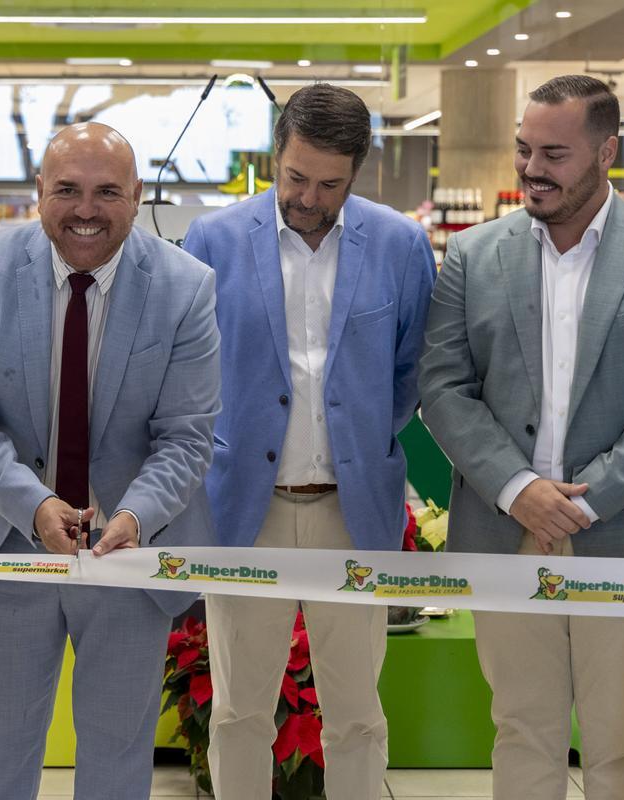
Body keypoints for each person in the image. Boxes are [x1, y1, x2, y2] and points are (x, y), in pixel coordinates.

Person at [419, 75, 624, 800]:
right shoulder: (472, 255)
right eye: (524, 149)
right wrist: (520, 488)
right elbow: (443, 387)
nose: (531, 168)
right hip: (508, 532)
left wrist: (584, 503)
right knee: (522, 731)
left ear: (607, 151)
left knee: (622, 743)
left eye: (554, 153)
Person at [0, 122, 220, 799]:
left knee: (118, 761)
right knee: (4, 755)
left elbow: (187, 435)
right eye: (66, 189)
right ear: (38, 190)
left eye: (106, 192)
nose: (85, 209)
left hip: (127, 552)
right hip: (12, 546)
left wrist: (137, 516)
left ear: (137, 195)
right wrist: (33, 506)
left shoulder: (187, 287)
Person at [182, 83, 436, 799]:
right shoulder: (213, 240)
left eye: (329, 184)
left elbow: (412, 366)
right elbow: (192, 371)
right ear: (274, 157)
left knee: (356, 712)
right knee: (237, 710)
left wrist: (359, 437)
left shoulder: (399, 243)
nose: (308, 197)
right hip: (245, 513)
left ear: (357, 173)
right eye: (295, 178)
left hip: (352, 511)